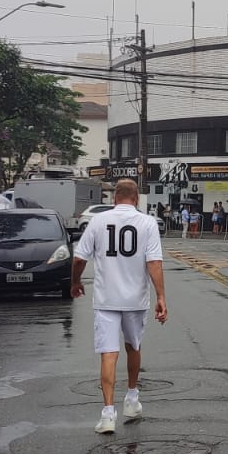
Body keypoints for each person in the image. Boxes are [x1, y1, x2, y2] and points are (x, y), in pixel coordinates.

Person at [72, 178, 168, 435]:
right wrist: (161, 296)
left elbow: (79, 258)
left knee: (108, 353)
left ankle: (107, 414)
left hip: (106, 299)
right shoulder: (147, 223)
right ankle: (132, 398)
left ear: (114, 198)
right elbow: (154, 263)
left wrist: (75, 282)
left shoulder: (98, 221)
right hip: (135, 299)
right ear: (136, 199)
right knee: (133, 346)